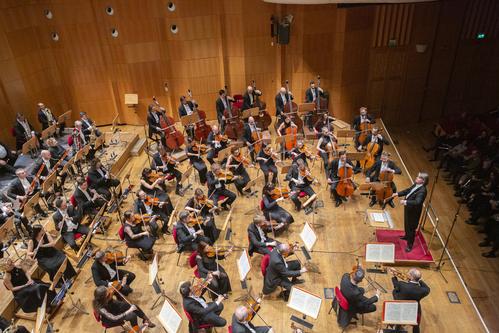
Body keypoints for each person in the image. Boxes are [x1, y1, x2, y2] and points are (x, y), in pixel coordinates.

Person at [388, 172, 428, 252]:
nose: (416, 178)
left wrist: (406, 202)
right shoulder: (416, 184)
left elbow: (418, 202)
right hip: (408, 209)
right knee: (406, 223)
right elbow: (408, 191)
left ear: (423, 181)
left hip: (414, 212)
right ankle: (406, 236)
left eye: (419, 177)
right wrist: (397, 193)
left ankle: (410, 245)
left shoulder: (422, 191)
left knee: (411, 228)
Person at [388, 267, 430, 333]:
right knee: (416, 326)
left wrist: (394, 276)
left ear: (411, 277)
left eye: (408, 273)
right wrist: (419, 280)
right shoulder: (423, 290)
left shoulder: (402, 284)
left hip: (402, 309)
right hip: (414, 311)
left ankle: (397, 328)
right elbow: (427, 288)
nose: (407, 273)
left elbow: (396, 286)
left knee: (398, 321)